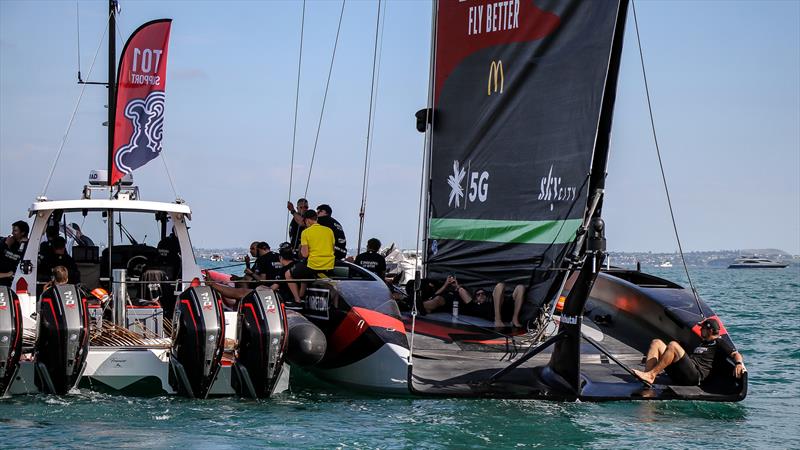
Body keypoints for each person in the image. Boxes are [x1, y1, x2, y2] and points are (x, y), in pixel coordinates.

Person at [632, 317, 746, 385]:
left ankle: (651, 375)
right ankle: (647, 376)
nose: (701, 330)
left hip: (695, 376)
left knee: (673, 345)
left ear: (710, 330)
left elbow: (735, 354)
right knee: (656, 342)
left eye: (703, 328)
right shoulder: (703, 342)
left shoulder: (719, 342)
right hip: (684, 372)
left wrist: (739, 364)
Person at [284, 210, 334, 303]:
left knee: (288, 274)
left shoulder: (306, 232)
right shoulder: (329, 230)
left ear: (307, 220)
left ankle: (297, 301)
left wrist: (300, 249)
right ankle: (301, 295)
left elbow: (305, 254)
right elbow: (332, 248)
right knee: (303, 271)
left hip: (314, 265)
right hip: (329, 264)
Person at [0, 220, 30, 287]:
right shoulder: (14, 243)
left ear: (23, 232)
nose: (12, 233)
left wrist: (7, 246)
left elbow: (17, 258)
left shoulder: (28, 245)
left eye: (15, 231)